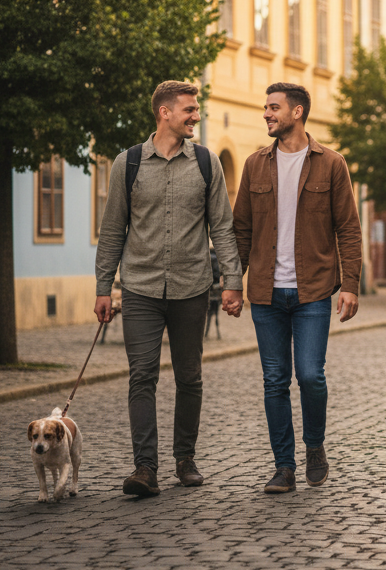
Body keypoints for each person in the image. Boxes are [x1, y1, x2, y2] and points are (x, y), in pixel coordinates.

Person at [94, 80, 243, 497]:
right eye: (189, 110)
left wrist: (232, 281)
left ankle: (185, 458)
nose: (196, 115)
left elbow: (223, 228)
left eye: (196, 110)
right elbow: (112, 231)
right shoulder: (128, 164)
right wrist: (104, 286)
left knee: (189, 377)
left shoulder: (207, 163)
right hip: (139, 287)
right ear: (164, 112)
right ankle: (145, 467)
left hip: (192, 287)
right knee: (141, 376)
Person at [233, 83, 362, 494]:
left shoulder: (331, 164)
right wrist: (232, 283)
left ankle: (315, 446)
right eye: (266, 107)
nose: (267, 114)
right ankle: (283, 467)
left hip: (313, 291)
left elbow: (349, 229)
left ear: (298, 112)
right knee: (274, 380)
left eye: (274, 107)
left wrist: (351, 285)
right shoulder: (255, 165)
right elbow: (240, 229)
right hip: (267, 294)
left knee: (310, 376)